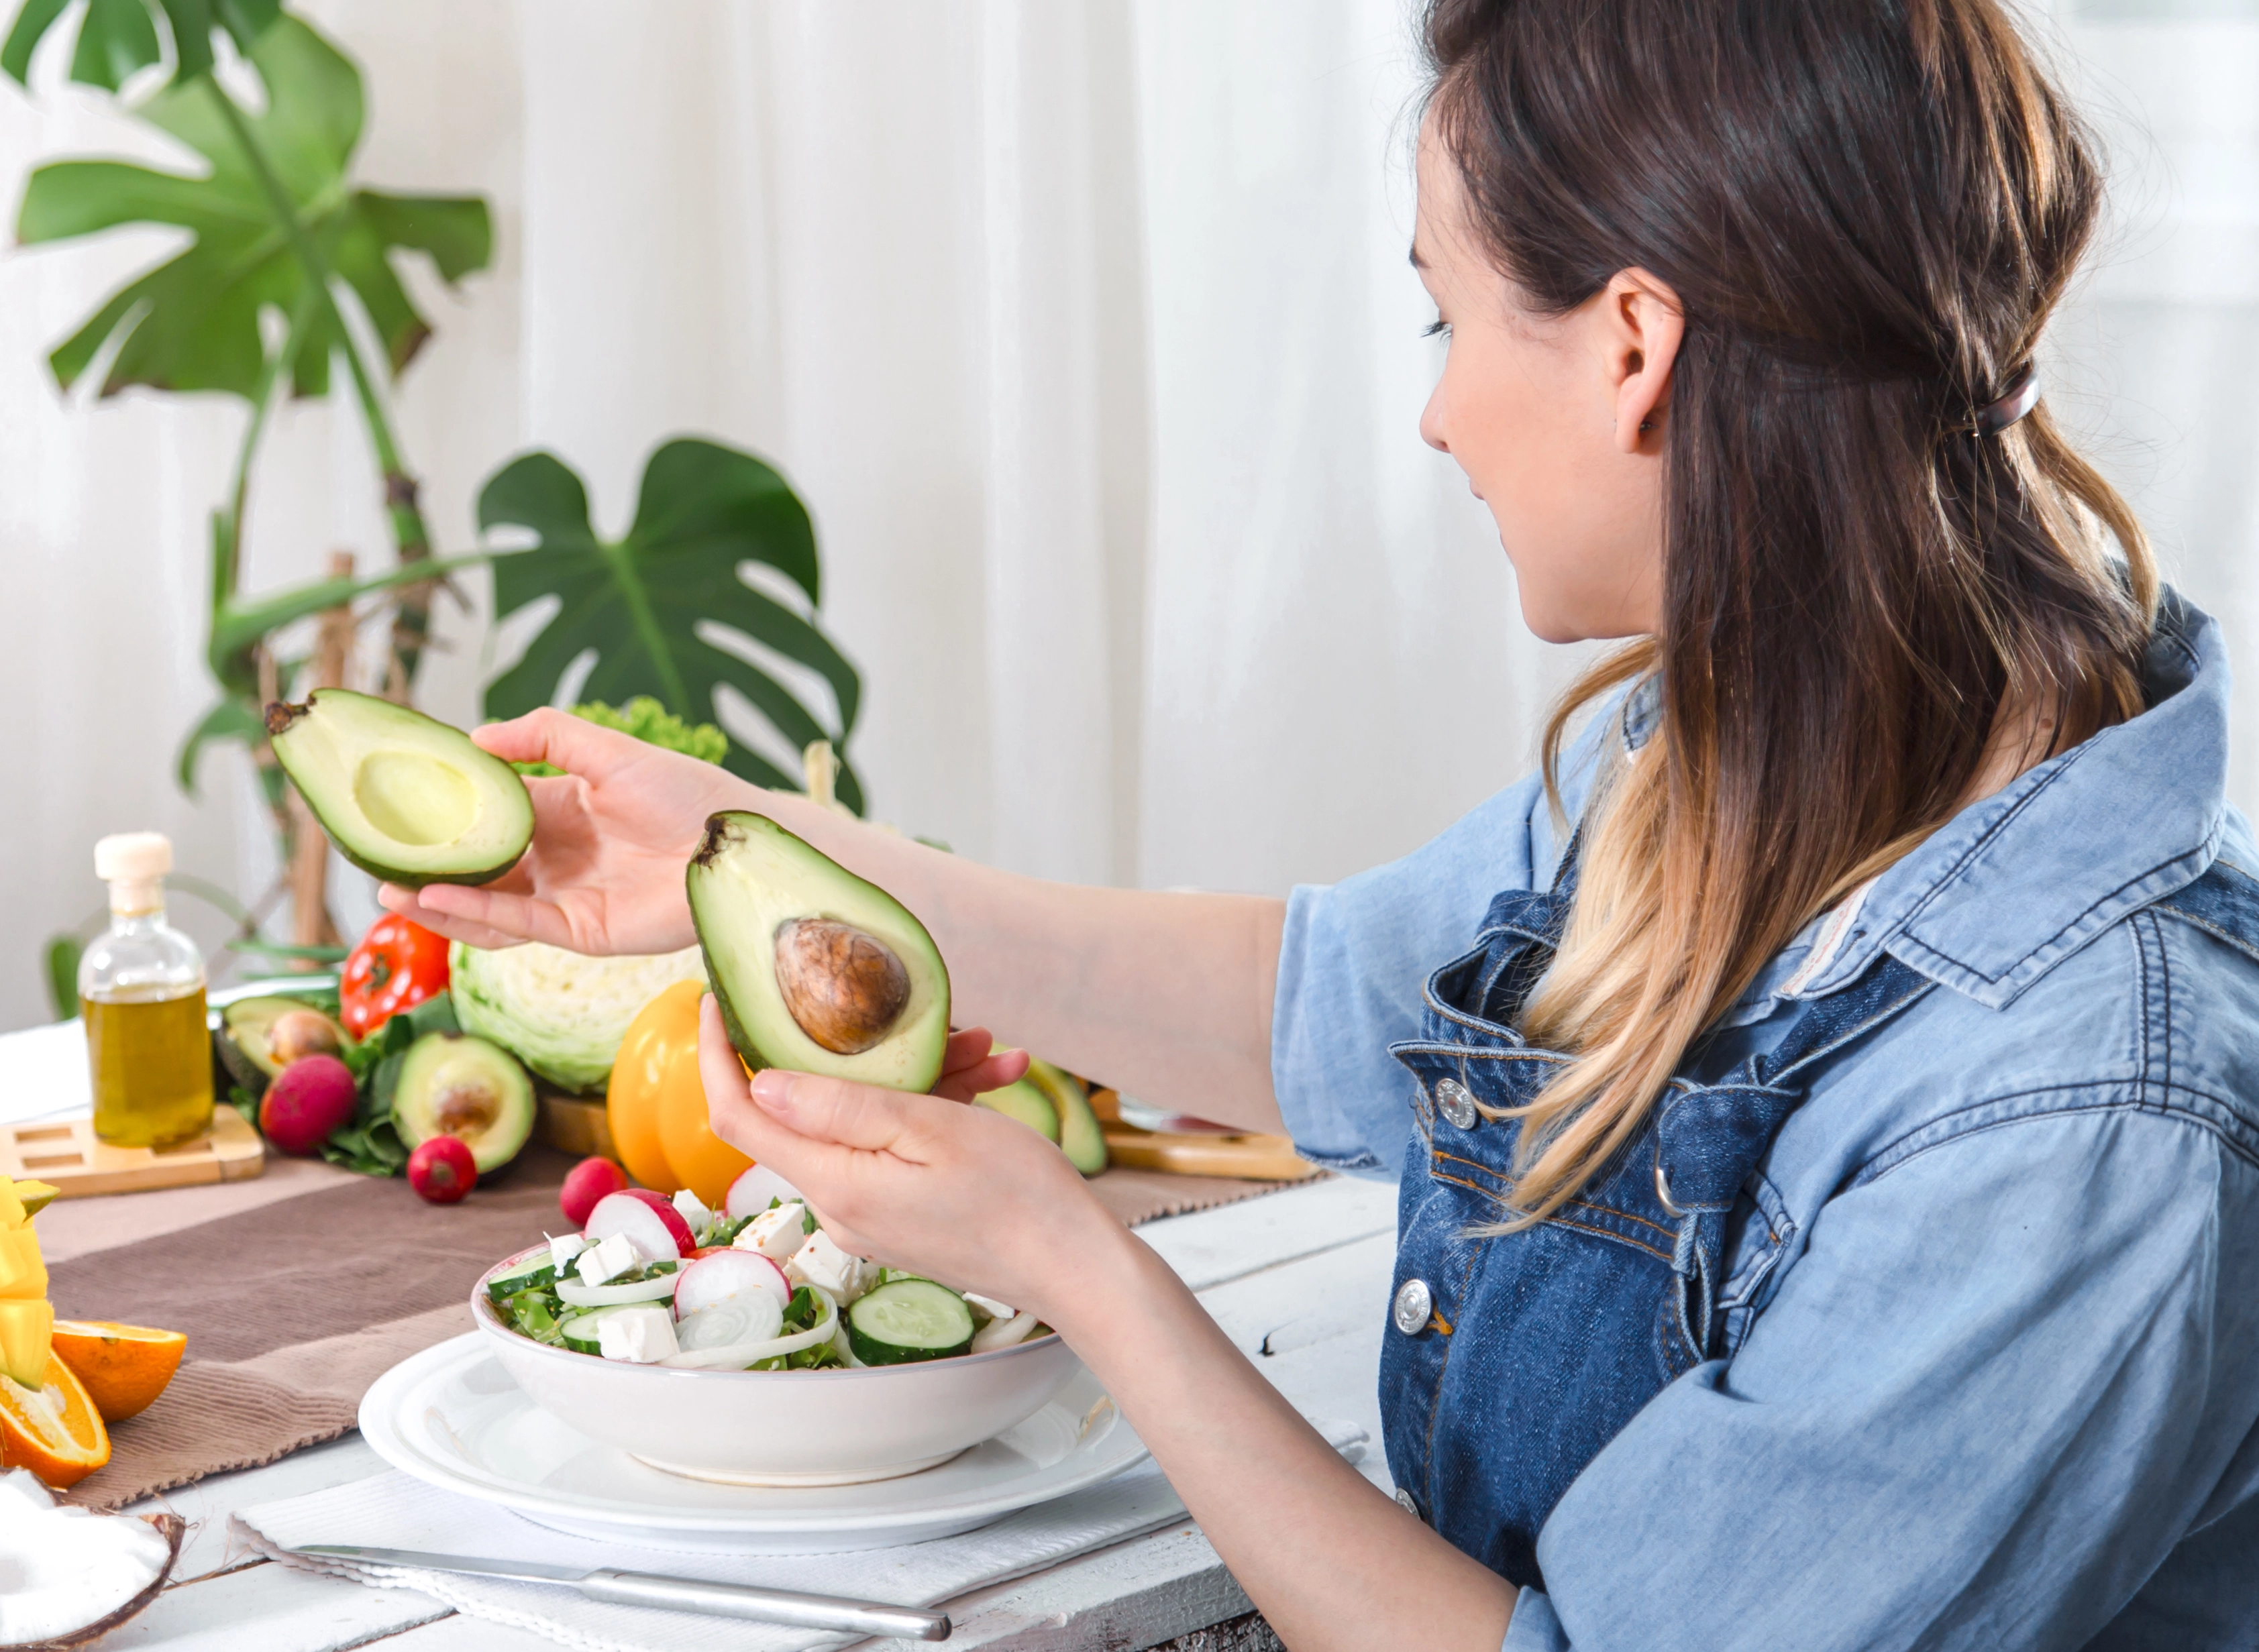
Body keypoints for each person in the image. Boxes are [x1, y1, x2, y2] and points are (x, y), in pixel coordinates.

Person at [385, 1, 2259, 1645]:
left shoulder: (2086, 1114)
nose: (1438, 416)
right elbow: (1320, 1002)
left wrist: (1082, 1272)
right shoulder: (1735, 765)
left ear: (1631, 346)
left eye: (1445, 321)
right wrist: (755, 856)